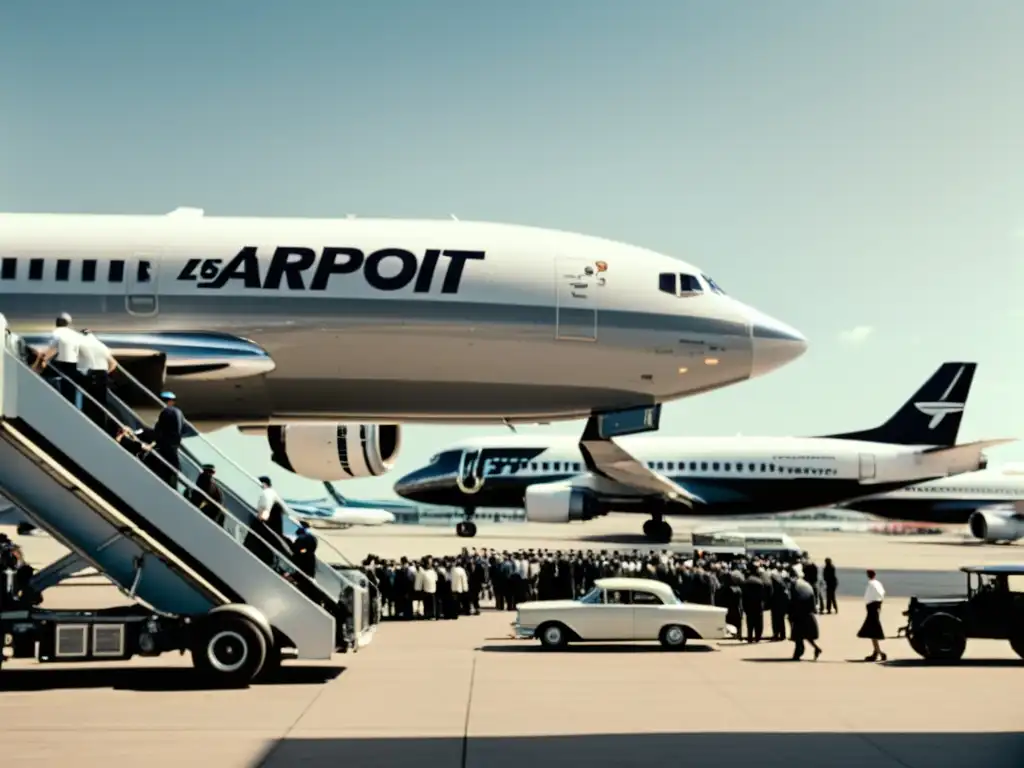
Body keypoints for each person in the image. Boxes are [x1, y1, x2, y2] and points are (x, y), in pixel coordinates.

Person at [32, 313, 82, 404]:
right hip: (75, 364)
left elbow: (51, 348)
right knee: (70, 388)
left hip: (63, 364)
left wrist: (41, 360)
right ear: (68, 323)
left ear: (57, 323)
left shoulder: (57, 332)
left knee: (46, 376)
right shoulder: (75, 334)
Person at [76, 329, 117, 429]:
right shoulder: (101, 346)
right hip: (101, 375)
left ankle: (85, 424)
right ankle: (101, 426)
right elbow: (113, 363)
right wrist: (104, 374)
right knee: (101, 404)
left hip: (89, 374)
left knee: (88, 403)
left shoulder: (80, 344)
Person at [152, 392, 186, 489]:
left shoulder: (166, 412)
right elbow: (184, 429)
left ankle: (167, 486)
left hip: (166, 445)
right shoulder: (179, 412)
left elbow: (159, 429)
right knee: (174, 467)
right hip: (175, 444)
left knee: (165, 467)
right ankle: (173, 485)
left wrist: (155, 440)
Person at [788, 572, 822, 661]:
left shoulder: (794, 586)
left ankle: (798, 653)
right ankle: (816, 648)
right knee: (806, 635)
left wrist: (790, 612)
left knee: (798, 635)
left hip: (798, 613)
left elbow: (791, 599)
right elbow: (813, 600)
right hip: (807, 613)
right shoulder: (807, 586)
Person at [858, 569, 887, 661]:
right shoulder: (877, 583)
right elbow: (881, 594)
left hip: (872, 608)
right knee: (872, 630)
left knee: (873, 630)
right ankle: (876, 651)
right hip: (876, 607)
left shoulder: (871, 584)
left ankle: (878, 652)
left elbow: (868, 597)